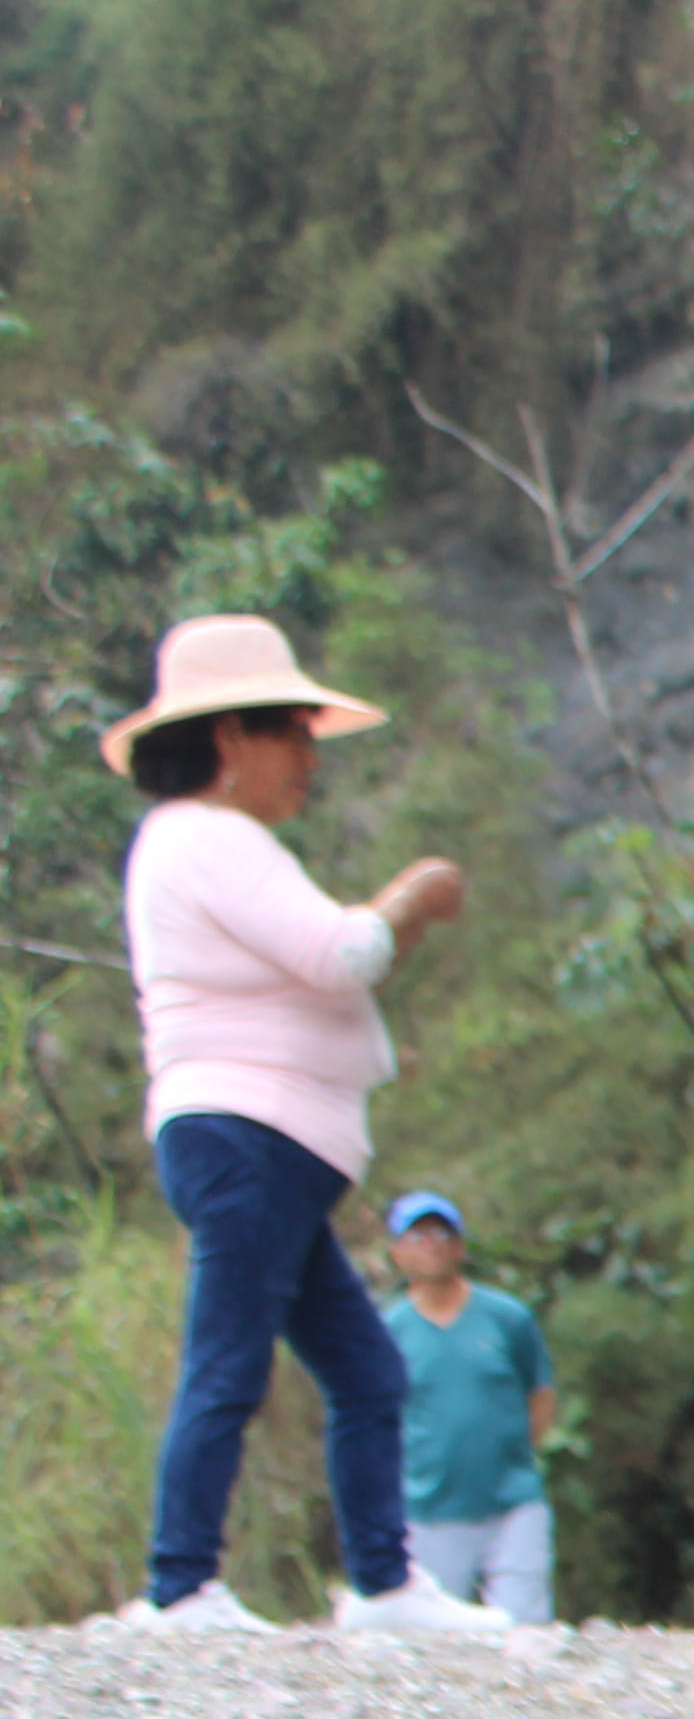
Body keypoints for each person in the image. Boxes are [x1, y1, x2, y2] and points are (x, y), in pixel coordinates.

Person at [102, 616, 508, 1639]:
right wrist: (412, 894)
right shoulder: (204, 836)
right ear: (229, 740)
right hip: (243, 1137)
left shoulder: (206, 846)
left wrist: (390, 926)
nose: (309, 757)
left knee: (367, 1370)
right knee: (229, 1357)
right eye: (291, 730)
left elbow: (319, 969)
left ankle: (384, 1585)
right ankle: (179, 1585)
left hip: (273, 1150)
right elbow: (341, 954)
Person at [378, 1192, 560, 1625]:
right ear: (396, 1252)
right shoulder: (388, 1331)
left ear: (460, 1246)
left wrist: (515, 1454)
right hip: (428, 1511)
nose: (431, 1244)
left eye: (441, 1234)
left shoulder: (507, 1318)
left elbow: (540, 1393)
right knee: (437, 1643)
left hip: (512, 1502)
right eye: (417, 1236)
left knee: (524, 1630)